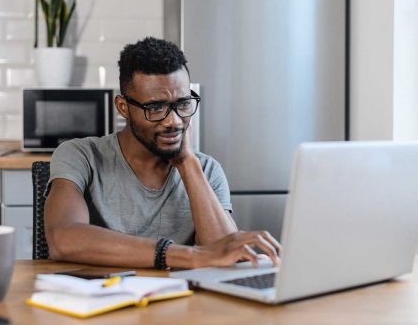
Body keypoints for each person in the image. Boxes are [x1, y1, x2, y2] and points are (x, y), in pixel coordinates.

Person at [44, 37, 281, 270]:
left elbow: (224, 254)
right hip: (102, 301)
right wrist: (189, 256)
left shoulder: (206, 169)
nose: (173, 121)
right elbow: (62, 239)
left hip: (183, 304)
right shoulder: (80, 155)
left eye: (183, 104)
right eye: (155, 107)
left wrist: (187, 163)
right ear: (123, 107)